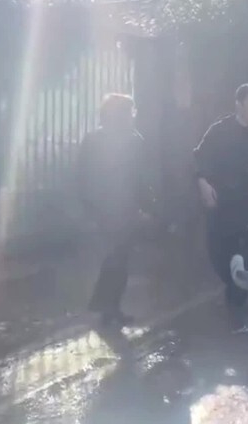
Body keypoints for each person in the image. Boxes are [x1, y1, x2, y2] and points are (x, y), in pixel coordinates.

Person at [194, 83, 248, 333]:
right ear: (238, 105)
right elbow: (199, 158)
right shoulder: (220, 131)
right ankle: (237, 285)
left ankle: (236, 308)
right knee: (218, 254)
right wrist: (202, 183)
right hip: (222, 204)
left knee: (242, 256)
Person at [78, 94, 157, 327]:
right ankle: (105, 305)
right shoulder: (121, 141)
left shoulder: (129, 140)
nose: (133, 116)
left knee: (119, 258)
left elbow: (141, 178)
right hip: (111, 208)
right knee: (117, 258)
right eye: (129, 112)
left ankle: (109, 307)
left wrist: (146, 206)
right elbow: (84, 175)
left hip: (120, 208)